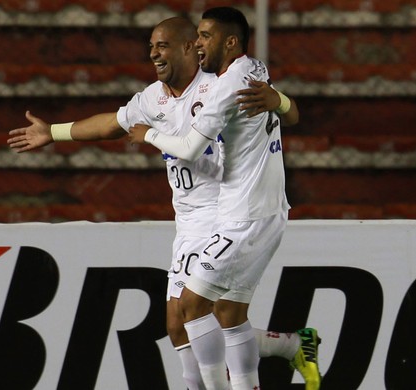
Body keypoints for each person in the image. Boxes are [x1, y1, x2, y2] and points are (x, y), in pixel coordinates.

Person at [9, 16, 320, 390]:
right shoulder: (151, 98)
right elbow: (111, 124)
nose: (154, 54)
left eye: (163, 46)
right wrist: (54, 133)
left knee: (185, 316)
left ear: (190, 47)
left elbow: (267, 116)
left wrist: (280, 101)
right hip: (188, 218)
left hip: (220, 211)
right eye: (151, 47)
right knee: (213, 318)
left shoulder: (219, 85)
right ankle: (290, 346)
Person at [127, 8, 320, 390]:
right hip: (258, 212)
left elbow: (188, 147)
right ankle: (292, 349)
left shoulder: (225, 87)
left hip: (245, 217)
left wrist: (146, 135)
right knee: (229, 315)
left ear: (229, 41)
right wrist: (279, 102)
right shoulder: (255, 69)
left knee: (192, 307)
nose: (199, 43)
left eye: (205, 36)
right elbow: (293, 113)